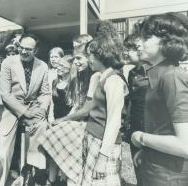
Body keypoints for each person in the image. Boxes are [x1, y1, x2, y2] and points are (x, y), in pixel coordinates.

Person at [131, 13, 188, 186]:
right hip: (156, 169)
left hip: (168, 176)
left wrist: (141, 138)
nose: (138, 43)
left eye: (146, 37)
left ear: (166, 41)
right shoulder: (160, 76)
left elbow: (185, 145)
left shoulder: (171, 78)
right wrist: (148, 152)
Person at [39, 36, 93, 186]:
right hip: (56, 119)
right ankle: (51, 181)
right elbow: (51, 102)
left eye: (63, 66)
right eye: (58, 65)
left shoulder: (74, 83)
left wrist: (64, 121)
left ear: (71, 68)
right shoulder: (55, 82)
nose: (60, 68)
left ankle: (63, 180)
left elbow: (77, 106)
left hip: (70, 121)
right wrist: (51, 119)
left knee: (64, 154)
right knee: (52, 152)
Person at [0, 33, 50, 186]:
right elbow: (5, 94)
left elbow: (45, 93)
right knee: (4, 152)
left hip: (34, 108)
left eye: (29, 49)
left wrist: (42, 109)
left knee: (41, 133)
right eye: (21, 47)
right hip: (10, 109)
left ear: (36, 50)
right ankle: (1, 182)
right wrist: (24, 112)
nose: (24, 51)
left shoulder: (43, 66)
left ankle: (30, 177)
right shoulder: (8, 63)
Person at [78, 36, 128, 186]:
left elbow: (114, 121)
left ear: (101, 55)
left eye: (89, 55)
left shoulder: (114, 81)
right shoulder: (102, 77)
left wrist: (103, 157)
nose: (88, 59)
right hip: (93, 139)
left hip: (103, 145)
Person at [123, 34, 149, 186]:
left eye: (130, 49)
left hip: (150, 126)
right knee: (137, 166)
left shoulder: (151, 71)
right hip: (134, 126)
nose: (126, 53)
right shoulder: (132, 72)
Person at [47, 47, 64, 122]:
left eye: (56, 57)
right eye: (51, 57)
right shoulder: (47, 72)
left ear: (62, 58)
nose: (53, 59)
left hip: (58, 103)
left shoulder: (63, 72)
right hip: (48, 100)